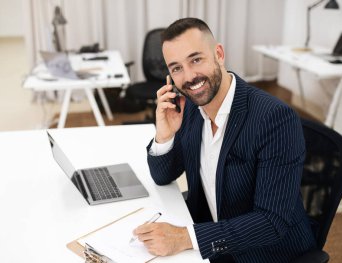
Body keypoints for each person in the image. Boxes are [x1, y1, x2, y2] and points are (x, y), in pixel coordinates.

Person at [133, 18, 316, 263]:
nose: (189, 77)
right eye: (176, 68)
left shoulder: (274, 119)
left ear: (218, 54)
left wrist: (185, 237)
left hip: (263, 253)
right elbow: (163, 176)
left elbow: (272, 222)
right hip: (213, 239)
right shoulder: (190, 107)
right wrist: (164, 134)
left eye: (196, 60)